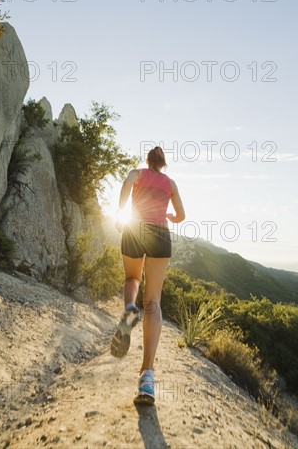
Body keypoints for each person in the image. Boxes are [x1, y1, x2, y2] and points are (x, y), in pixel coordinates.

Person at [110, 146, 185, 405]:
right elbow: (182, 215)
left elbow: (126, 184)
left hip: (135, 228)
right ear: (163, 164)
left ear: (147, 161)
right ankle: (147, 378)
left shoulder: (137, 174)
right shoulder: (171, 183)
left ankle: (129, 310)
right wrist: (171, 217)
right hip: (160, 235)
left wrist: (122, 213)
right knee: (153, 302)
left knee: (132, 279)